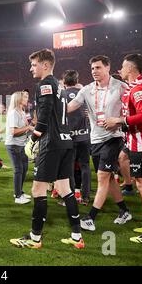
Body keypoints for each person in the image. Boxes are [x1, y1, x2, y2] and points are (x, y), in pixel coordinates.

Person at [10, 49, 84, 249]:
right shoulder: (59, 86)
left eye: (34, 64)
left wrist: (33, 139)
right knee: (64, 188)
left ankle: (34, 238)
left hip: (51, 143)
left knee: (37, 189)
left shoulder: (44, 84)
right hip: (66, 140)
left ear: (45, 65)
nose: (31, 68)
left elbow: (43, 117)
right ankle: (77, 236)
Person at [105, 53, 142, 244]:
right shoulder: (139, 85)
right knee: (140, 180)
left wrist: (119, 121)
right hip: (137, 140)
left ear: (130, 69)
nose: (120, 70)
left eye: (122, 67)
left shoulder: (138, 88)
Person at [68, 56, 131, 232]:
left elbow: (132, 110)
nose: (94, 71)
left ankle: (90, 217)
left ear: (108, 67)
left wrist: (118, 121)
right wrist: (53, 111)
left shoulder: (121, 87)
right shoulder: (87, 90)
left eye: (98, 67)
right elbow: (71, 106)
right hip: (94, 139)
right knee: (109, 178)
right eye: (92, 68)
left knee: (102, 177)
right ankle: (124, 211)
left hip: (113, 138)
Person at [63, 70, 91, 205]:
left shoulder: (62, 95)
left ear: (64, 82)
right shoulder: (84, 94)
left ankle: (72, 197)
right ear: (76, 80)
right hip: (85, 136)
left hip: (70, 138)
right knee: (85, 167)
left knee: (69, 168)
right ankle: (85, 197)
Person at [5, 91, 33, 204]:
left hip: (22, 145)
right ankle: (17, 196)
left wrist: (30, 125)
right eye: (25, 97)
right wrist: (28, 128)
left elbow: (25, 127)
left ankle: (20, 192)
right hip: (13, 145)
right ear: (18, 99)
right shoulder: (13, 113)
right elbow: (13, 132)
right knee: (18, 170)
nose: (27, 99)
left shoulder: (22, 111)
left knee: (24, 169)